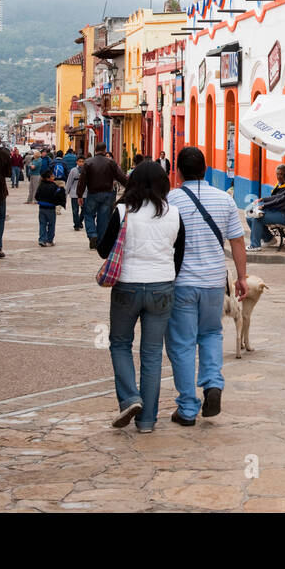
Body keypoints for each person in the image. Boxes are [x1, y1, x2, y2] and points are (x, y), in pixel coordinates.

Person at [98, 161, 186, 434]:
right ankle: (147, 420)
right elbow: (179, 254)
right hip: (162, 286)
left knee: (121, 344)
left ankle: (130, 398)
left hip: (127, 286)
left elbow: (103, 250)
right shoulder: (174, 213)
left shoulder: (123, 211)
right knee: (151, 354)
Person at [164, 147, 248, 426]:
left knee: (182, 343)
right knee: (211, 333)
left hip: (183, 283)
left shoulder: (171, 201)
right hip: (214, 283)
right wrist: (242, 277)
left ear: (178, 171)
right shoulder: (224, 200)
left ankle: (188, 408)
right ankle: (213, 383)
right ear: (206, 169)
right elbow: (237, 240)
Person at [78, 142, 128, 249]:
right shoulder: (111, 162)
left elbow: (82, 181)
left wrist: (79, 195)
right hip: (107, 194)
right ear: (105, 150)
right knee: (103, 218)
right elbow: (120, 177)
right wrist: (130, 186)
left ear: (95, 150)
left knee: (89, 214)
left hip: (92, 193)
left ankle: (92, 234)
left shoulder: (88, 162)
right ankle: (100, 241)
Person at [246, 165, 285, 252]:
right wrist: (263, 200)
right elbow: (279, 196)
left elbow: (281, 201)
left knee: (257, 218)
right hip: (283, 213)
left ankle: (255, 245)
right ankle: (269, 239)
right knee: (250, 217)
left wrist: (264, 206)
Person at [35, 167, 65, 246]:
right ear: (48, 178)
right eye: (52, 176)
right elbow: (58, 197)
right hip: (51, 209)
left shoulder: (41, 186)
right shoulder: (54, 186)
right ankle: (50, 240)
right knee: (51, 225)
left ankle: (42, 239)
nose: (54, 177)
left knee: (42, 224)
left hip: (42, 208)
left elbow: (36, 196)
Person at [65, 154, 86, 231]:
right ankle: (76, 225)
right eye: (80, 161)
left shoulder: (87, 170)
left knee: (85, 209)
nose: (81, 163)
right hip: (74, 193)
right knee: (75, 210)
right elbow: (69, 182)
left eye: (83, 162)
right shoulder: (73, 170)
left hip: (85, 193)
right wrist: (66, 192)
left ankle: (79, 221)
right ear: (77, 162)